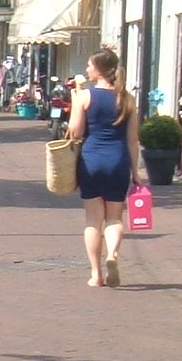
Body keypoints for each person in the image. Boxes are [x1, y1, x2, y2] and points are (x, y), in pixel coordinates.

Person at [69, 48, 145, 287]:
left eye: (90, 65)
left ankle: (96, 274)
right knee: (114, 217)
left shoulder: (85, 96)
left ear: (99, 69)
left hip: (91, 160)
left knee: (93, 220)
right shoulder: (127, 99)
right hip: (118, 160)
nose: (87, 69)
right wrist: (136, 172)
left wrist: (75, 102)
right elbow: (133, 140)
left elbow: (75, 132)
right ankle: (112, 255)